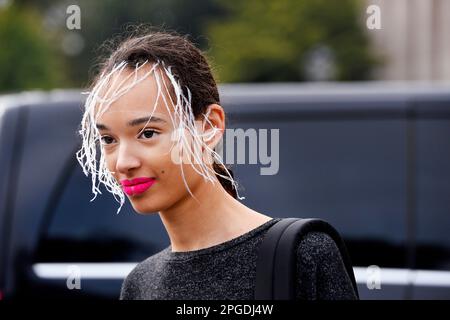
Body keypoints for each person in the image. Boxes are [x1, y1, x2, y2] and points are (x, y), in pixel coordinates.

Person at [76, 28, 358, 300]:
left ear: (210, 125)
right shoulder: (140, 283)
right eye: (108, 139)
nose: (123, 162)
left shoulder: (303, 254)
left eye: (148, 133)